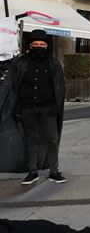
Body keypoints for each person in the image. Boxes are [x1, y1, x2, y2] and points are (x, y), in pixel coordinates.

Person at [9, 30, 66, 185]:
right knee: (31, 139)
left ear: (46, 46)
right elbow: (14, 85)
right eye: (36, 44)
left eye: (42, 44)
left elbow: (60, 87)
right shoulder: (21, 63)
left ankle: (54, 170)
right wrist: (17, 107)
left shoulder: (53, 63)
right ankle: (32, 171)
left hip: (48, 109)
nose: (39, 46)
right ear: (30, 45)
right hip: (28, 108)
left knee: (52, 139)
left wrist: (57, 106)